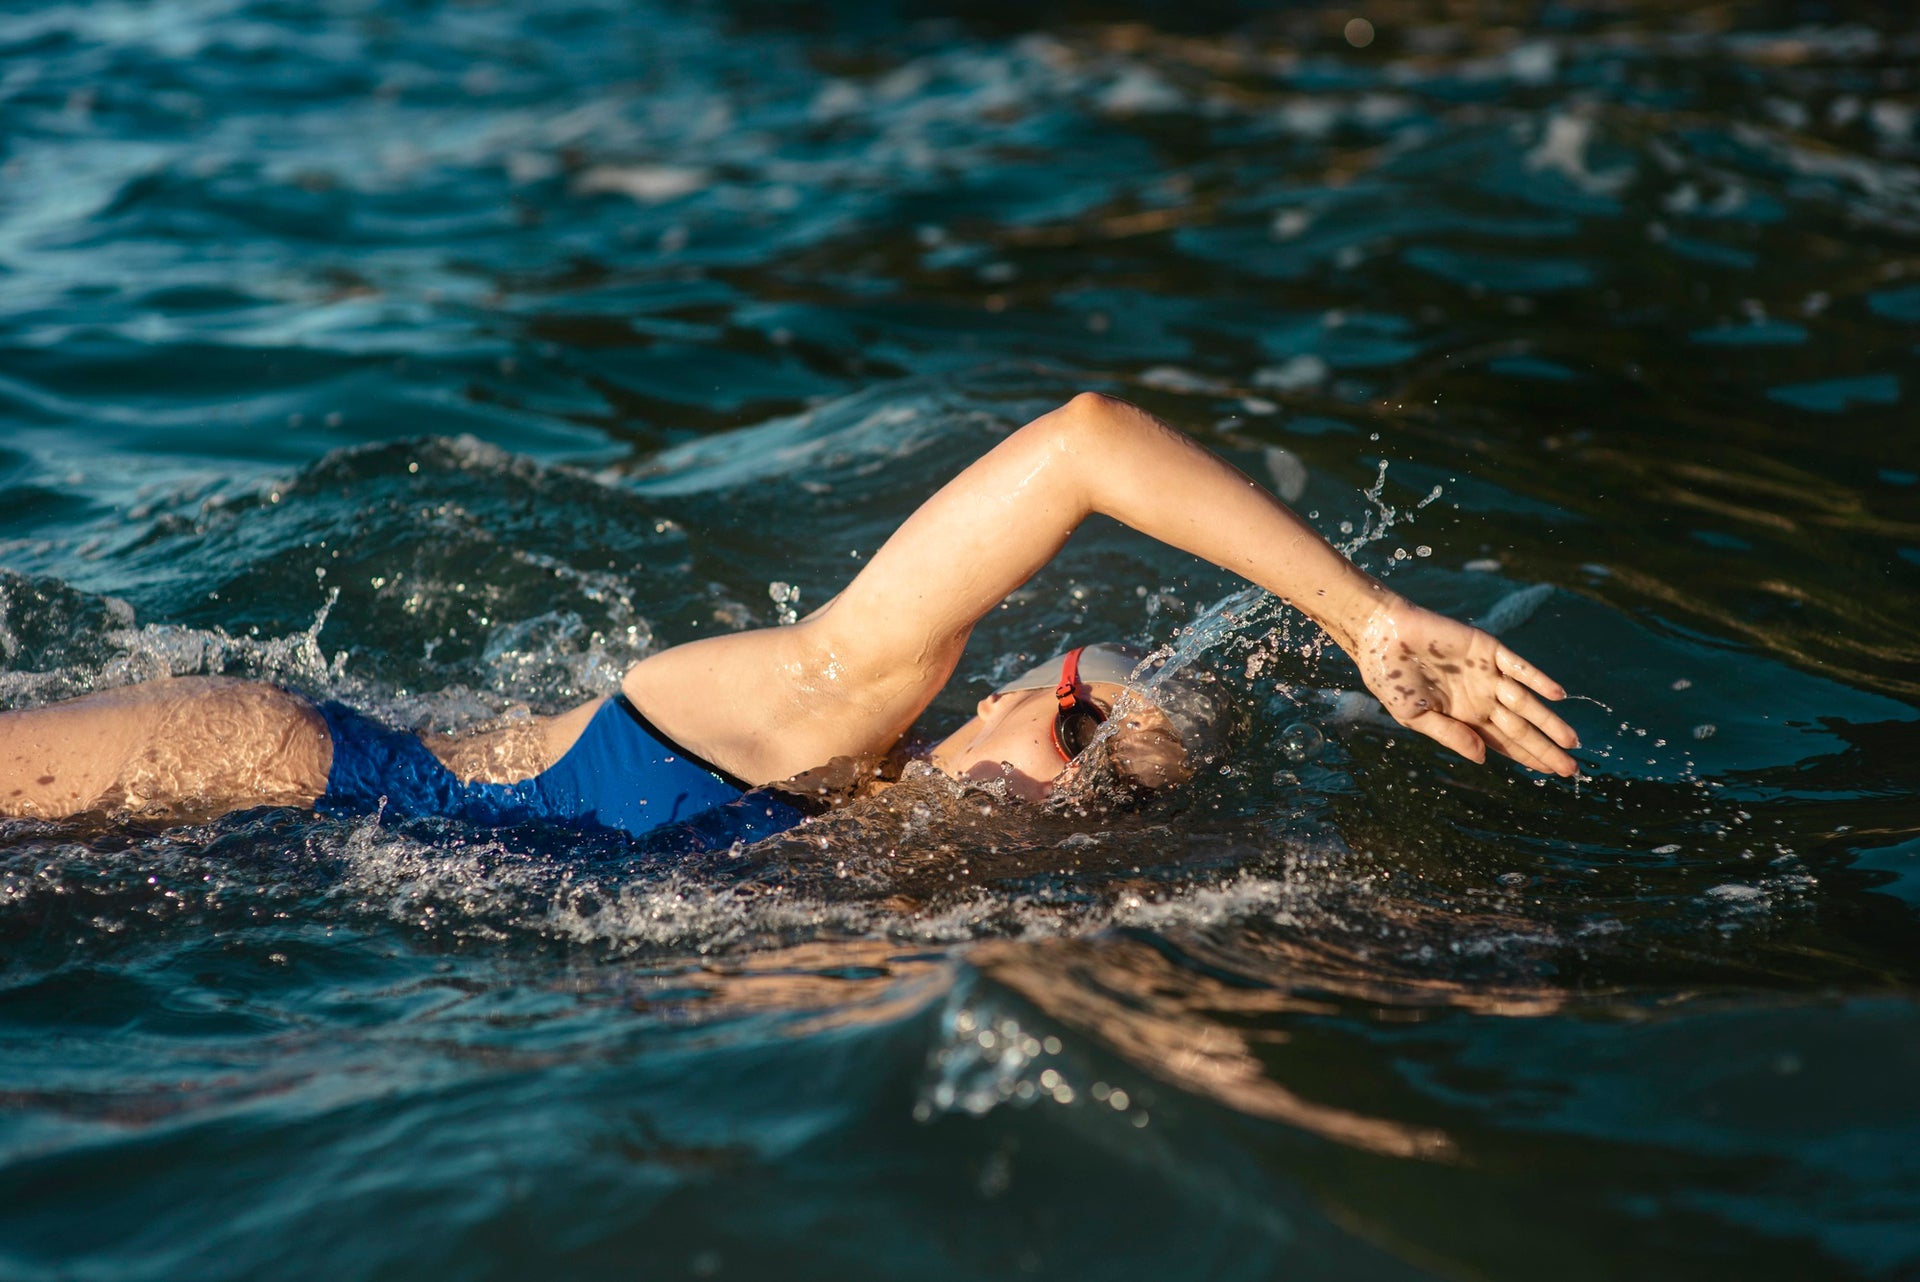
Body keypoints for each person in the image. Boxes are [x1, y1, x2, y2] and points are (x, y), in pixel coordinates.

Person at [0, 393, 1580, 842]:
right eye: (1088, 719)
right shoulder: (824, 702)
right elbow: (1083, 444)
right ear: (1018, 695)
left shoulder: (865, 872)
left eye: (1115, 785)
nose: (1074, 775)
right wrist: (1364, 618)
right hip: (275, 767)